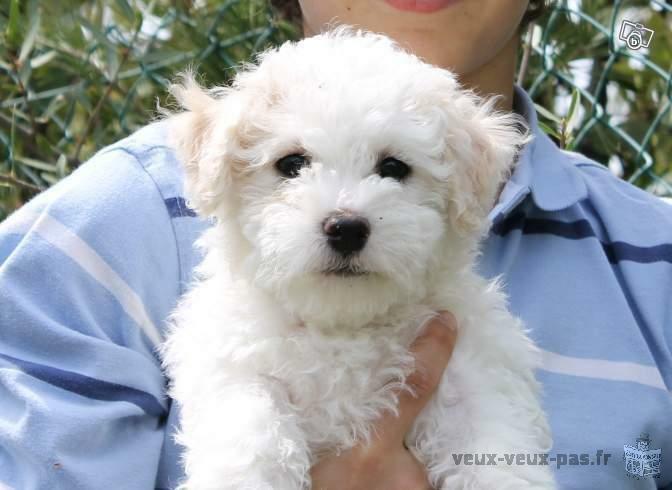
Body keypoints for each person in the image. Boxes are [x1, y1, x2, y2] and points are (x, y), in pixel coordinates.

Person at [0, 0, 670, 489]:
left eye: (394, 169)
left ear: (469, 179)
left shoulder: (654, 263)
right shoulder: (79, 252)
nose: (345, 214)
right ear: (221, 164)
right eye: (293, 165)